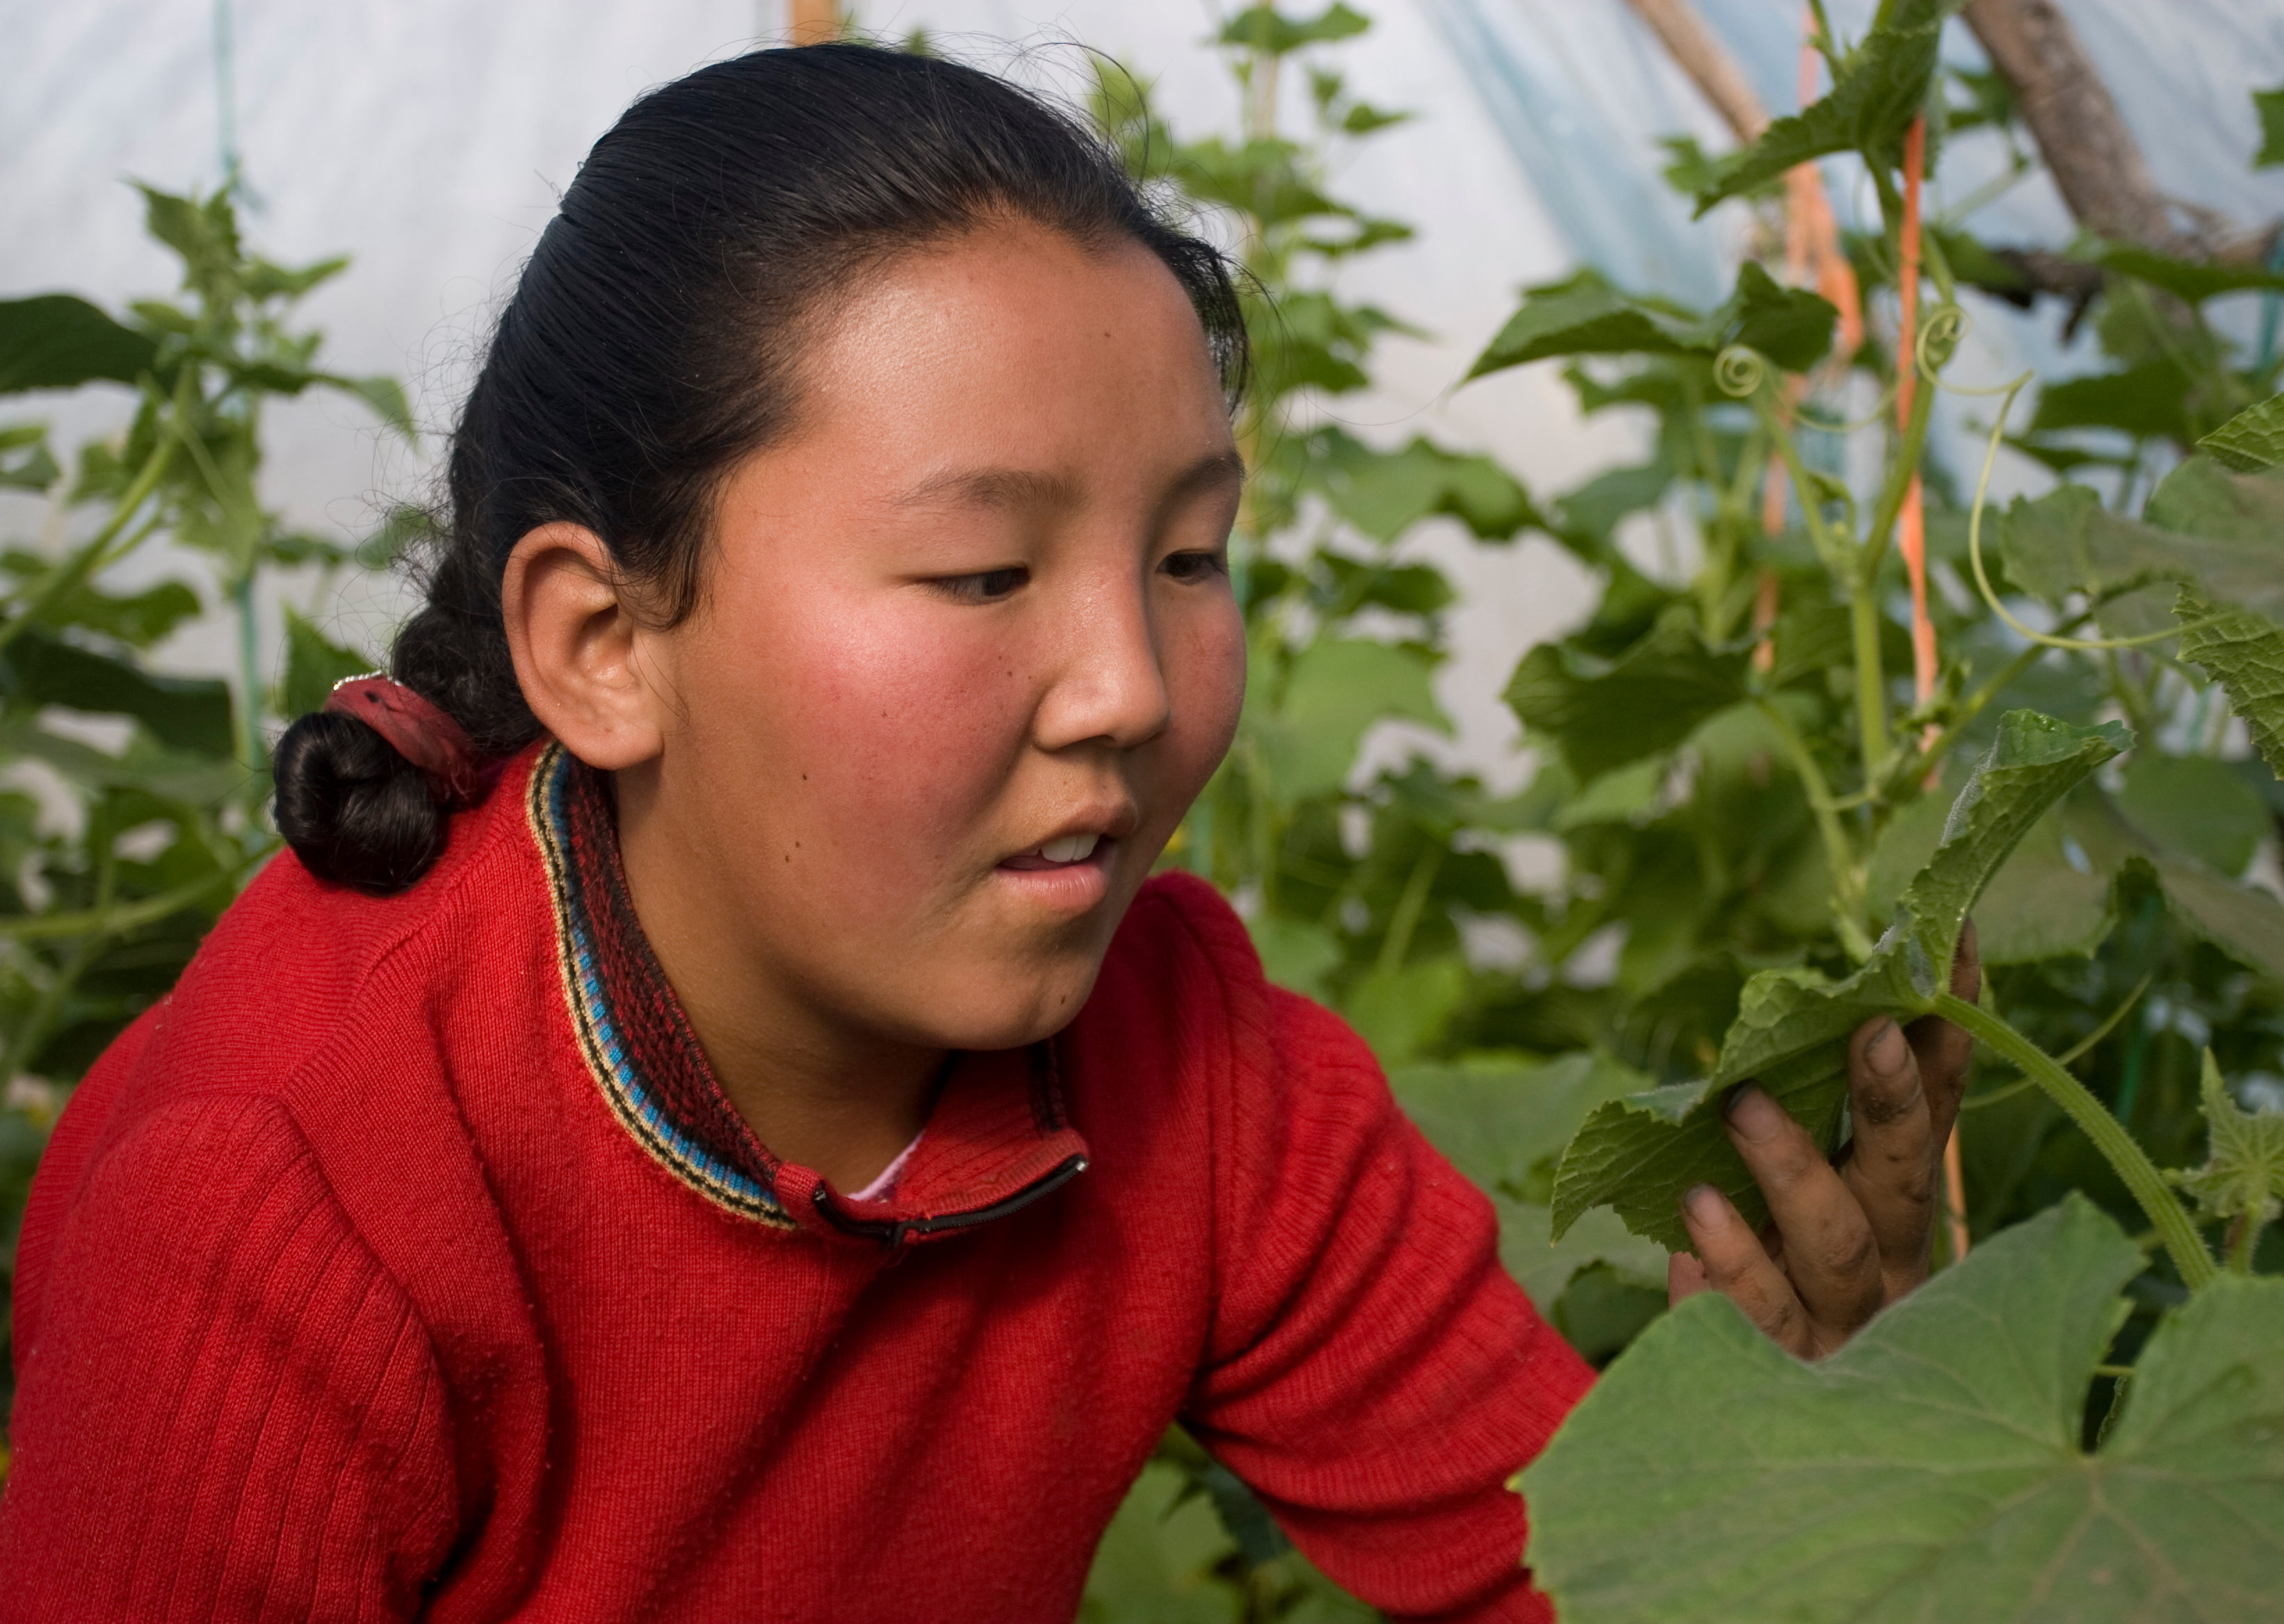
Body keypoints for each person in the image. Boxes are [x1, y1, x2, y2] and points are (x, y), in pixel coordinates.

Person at [0, 41, 1975, 1623]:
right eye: (978, 572)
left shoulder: (1185, 1059)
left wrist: (1759, 1500)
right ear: (604, 644)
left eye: (1190, 552)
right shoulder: (286, 1212)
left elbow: (1550, 1574)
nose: (1129, 680)